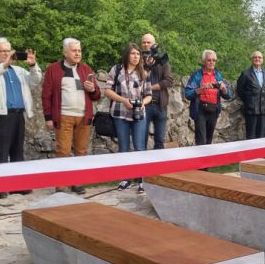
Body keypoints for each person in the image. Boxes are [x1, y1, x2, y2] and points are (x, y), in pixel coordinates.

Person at [0, 36, 42, 199]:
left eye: (8, 50)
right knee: (0, 152)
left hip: (18, 114)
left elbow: (35, 81)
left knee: (17, 151)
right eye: (3, 51)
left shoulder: (18, 70)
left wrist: (33, 65)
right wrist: (4, 65)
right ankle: (1, 187)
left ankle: (17, 185)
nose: (7, 54)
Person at [41, 37, 101, 195]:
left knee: (81, 152)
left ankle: (77, 183)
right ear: (65, 52)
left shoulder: (86, 69)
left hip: (84, 117)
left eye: (79, 50)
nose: (78, 53)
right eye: (74, 50)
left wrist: (92, 89)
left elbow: (97, 96)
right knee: (63, 151)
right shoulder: (53, 69)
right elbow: (46, 95)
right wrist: (48, 117)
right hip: (63, 116)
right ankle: (61, 185)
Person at [104, 43, 152, 193]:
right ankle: (125, 179)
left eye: (138, 54)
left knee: (139, 147)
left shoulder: (143, 72)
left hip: (138, 114)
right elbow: (107, 91)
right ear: (127, 55)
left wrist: (143, 103)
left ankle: (142, 180)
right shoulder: (116, 69)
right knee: (123, 147)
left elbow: (149, 95)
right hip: (120, 113)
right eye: (133, 54)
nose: (136, 57)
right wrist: (123, 100)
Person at [185, 50, 234, 145]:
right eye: (209, 60)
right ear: (204, 62)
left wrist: (224, 89)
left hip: (213, 110)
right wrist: (201, 88)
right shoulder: (197, 75)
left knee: (209, 140)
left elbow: (228, 95)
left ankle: (207, 155)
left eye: (214, 60)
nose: (212, 62)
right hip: (200, 110)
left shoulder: (218, 75)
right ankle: (200, 155)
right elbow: (187, 93)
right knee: (201, 141)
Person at [141, 33, 173, 149]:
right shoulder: (137, 60)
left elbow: (169, 81)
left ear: (155, 44)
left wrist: (150, 87)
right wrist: (146, 65)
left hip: (160, 105)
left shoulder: (162, 60)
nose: (146, 44)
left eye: (148, 42)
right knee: (141, 140)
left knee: (159, 141)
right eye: (144, 42)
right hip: (144, 105)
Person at [237, 51, 265, 139]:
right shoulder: (245, 73)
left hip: (263, 110)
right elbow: (240, 90)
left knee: (262, 136)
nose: (257, 59)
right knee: (251, 137)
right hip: (251, 110)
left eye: (259, 57)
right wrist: (249, 100)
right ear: (251, 59)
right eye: (255, 57)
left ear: (262, 60)